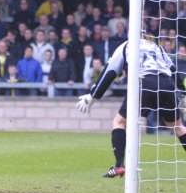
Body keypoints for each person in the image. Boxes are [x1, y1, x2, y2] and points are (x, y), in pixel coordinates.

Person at [76, 39, 186, 178]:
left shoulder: (125, 46)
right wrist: (183, 94)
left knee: (119, 122)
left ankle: (119, 166)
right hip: (166, 83)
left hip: (144, 82)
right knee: (178, 127)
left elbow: (109, 72)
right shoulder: (157, 47)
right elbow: (173, 70)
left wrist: (93, 96)